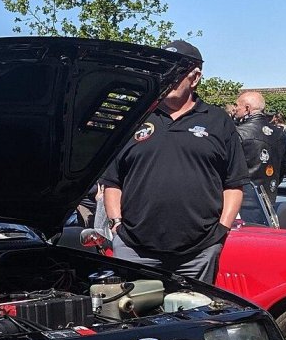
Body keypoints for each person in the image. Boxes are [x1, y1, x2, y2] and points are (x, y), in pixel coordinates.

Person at [102, 40, 248, 284]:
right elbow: (112, 181)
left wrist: (221, 230)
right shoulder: (135, 118)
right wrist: (116, 225)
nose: (167, 78)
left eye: (175, 72)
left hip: (198, 253)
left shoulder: (218, 121)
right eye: (162, 71)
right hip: (135, 250)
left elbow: (234, 183)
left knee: (194, 318)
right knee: (134, 319)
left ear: (195, 77)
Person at [233, 91, 286, 202]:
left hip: (243, 199)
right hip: (269, 196)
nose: (235, 109)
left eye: (237, 105)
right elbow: (284, 169)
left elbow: (229, 170)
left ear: (247, 108)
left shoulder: (237, 133)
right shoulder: (279, 133)